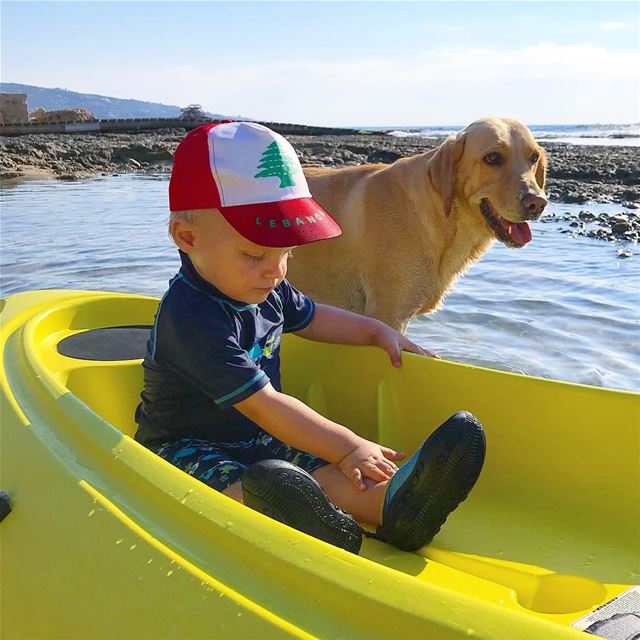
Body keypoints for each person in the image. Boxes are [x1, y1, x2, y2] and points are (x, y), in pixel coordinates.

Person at [134, 121, 486, 554]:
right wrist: (349, 444)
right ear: (188, 238)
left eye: (287, 254)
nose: (276, 270)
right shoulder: (190, 317)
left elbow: (315, 317)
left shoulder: (265, 285)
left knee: (317, 468)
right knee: (237, 481)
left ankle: (398, 508)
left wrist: (376, 330)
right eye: (255, 253)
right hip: (184, 447)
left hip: (258, 438)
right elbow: (265, 405)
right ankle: (289, 517)